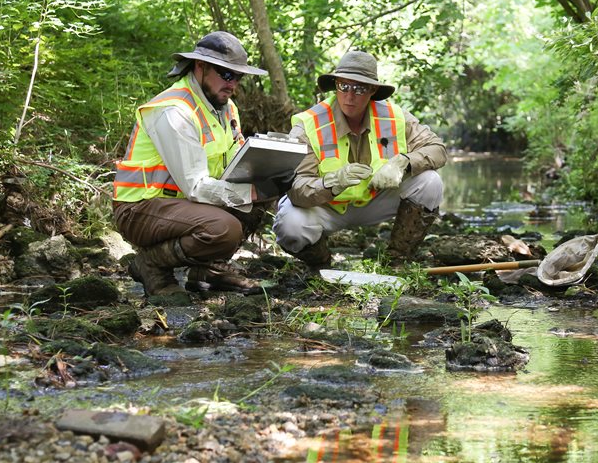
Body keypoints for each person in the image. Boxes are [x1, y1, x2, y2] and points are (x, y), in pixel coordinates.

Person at [113, 31, 284, 296]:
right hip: (141, 207)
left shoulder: (226, 108)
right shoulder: (174, 110)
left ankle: (210, 270)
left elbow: (236, 161)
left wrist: (271, 172)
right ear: (200, 66)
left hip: (184, 206)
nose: (233, 83)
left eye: (238, 76)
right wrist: (250, 192)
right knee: (224, 228)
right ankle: (152, 265)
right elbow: (196, 186)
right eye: (226, 74)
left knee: (259, 195)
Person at [273, 50, 446, 268]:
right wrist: (330, 183)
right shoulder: (308, 125)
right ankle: (323, 265)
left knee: (430, 182)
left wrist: (403, 162)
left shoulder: (394, 116)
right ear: (335, 85)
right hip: (326, 206)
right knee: (289, 224)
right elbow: (296, 190)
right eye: (344, 86)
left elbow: (438, 149)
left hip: (376, 199)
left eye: (359, 88)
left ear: (373, 90)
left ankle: (396, 261)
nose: (349, 95)